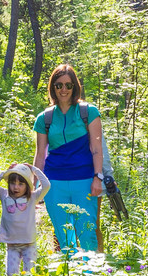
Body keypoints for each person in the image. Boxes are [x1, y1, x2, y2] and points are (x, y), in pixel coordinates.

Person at [34, 64, 104, 253]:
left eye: (68, 85)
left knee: (87, 233)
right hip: (54, 183)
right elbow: (40, 155)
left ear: (75, 87)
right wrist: (34, 187)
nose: (63, 90)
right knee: (65, 237)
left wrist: (98, 178)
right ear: (52, 87)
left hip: (84, 180)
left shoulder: (89, 112)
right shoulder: (44, 118)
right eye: (59, 85)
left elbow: (97, 149)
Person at [0, 163, 50, 276]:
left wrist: (34, 169)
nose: (16, 187)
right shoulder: (3, 194)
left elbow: (46, 185)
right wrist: (5, 173)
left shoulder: (32, 197)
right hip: (12, 244)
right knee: (11, 275)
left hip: (29, 244)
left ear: (27, 185)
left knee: (29, 275)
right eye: (12, 183)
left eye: (21, 184)